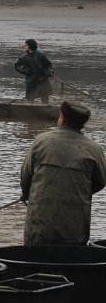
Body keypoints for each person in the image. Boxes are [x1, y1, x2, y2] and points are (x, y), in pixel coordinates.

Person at [21, 101, 106, 246]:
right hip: (75, 228)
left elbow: (26, 176)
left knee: (36, 259)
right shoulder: (94, 149)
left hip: (39, 228)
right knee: (70, 261)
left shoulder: (41, 141)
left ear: (62, 118)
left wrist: (26, 194)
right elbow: (100, 182)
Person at [14, 39, 53, 103]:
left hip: (42, 79)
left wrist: (48, 72)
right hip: (31, 80)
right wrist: (26, 71)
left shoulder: (41, 55)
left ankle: (45, 111)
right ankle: (31, 111)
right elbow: (17, 66)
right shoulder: (23, 57)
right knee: (30, 98)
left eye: (26, 45)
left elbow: (48, 65)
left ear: (30, 46)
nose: (24, 46)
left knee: (45, 98)